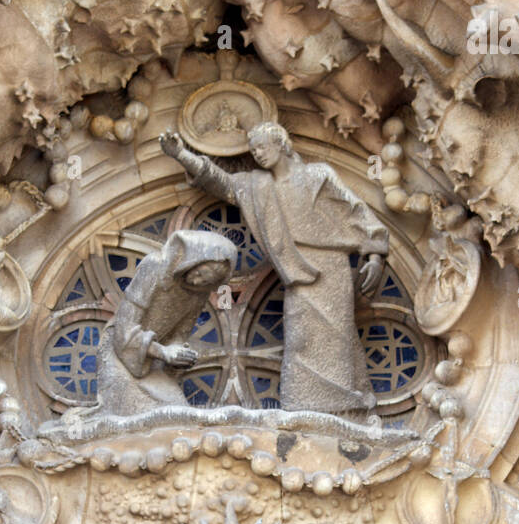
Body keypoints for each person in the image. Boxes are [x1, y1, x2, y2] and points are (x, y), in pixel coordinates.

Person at [160, 122, 389, 415]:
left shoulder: (318, 175)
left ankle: (346, 409)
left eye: (262, 146)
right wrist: (181, 154)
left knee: (338, 339)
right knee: (301, 342)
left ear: (281, 143)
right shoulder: (257, 186)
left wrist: (374, 254)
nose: (258, 154)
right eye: (253, 150)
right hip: (297, 276)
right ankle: (306, 410)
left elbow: (355, 210)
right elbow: (221, 182)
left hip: (330, 268)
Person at [95, 229, 237, 415]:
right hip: (119, 354)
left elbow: (179, 335)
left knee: (177, 411)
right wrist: (163, 352)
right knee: (136, 415)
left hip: (151, 362)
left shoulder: (199, 293)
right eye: (199, 274)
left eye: (206, 281)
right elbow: (124, 330)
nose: (197, 282)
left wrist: (179, 354)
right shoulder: (154, 268)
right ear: (190, 261)